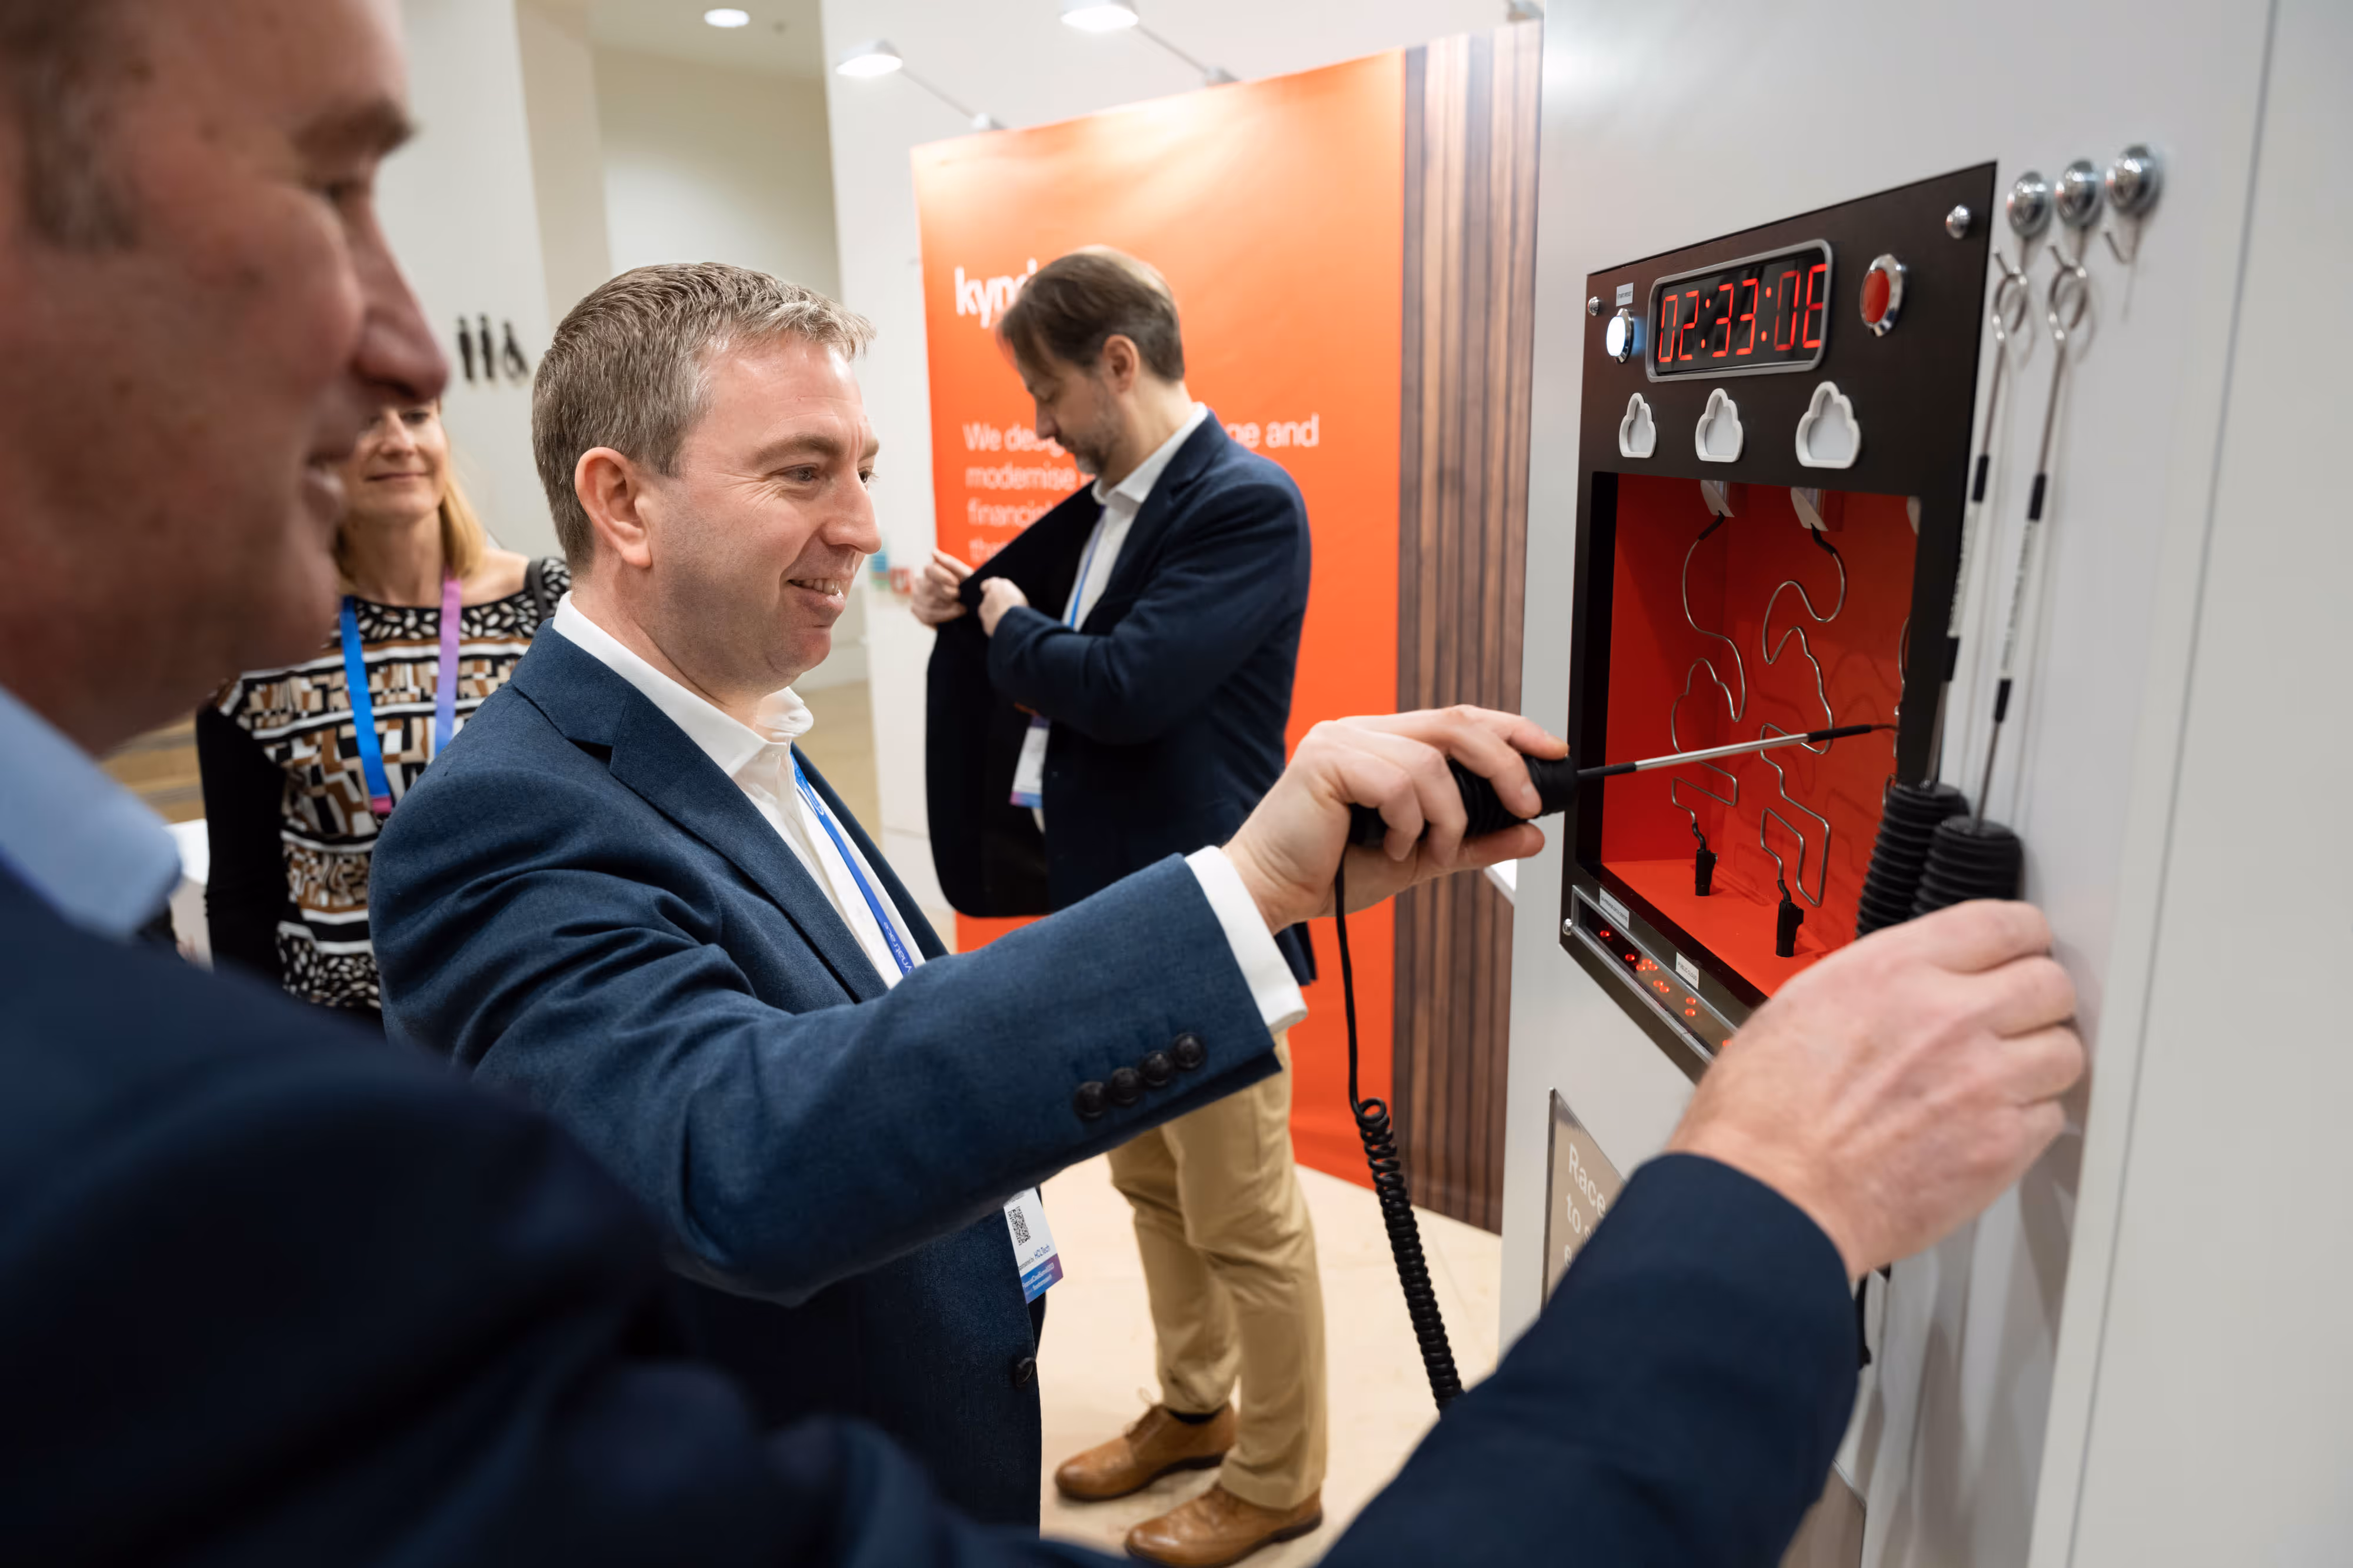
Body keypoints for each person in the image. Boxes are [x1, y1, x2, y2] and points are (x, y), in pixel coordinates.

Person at [0, 2, 2085, 1563]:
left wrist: (1236, 877)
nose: (857, 523)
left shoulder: (754, 742)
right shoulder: (498, 824)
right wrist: (1767, 1198)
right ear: (620, 504)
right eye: (804, 474)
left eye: (867, 468)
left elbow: (1052, 781)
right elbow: (742, 1152)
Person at [919, 247, 1328, 1565]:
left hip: (1206, 913)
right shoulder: (1108, 506)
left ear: (1116, 361)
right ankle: (1198, 1408)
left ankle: (1277, 1476)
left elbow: (1128, 685)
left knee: (1242, 1212)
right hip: (1112, 909)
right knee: (1153, 1186)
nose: (1035, 423)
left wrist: (1001, 625)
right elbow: (1052, 633)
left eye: (1044, 390)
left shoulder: (1244, 502)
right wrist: (971, 606)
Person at [197, 399, 563, 1023]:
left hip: (535, 995)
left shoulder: (550, 607)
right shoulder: (263, 647)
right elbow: (243, 895)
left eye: (417, 416)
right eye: (365, 419)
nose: (398, 441)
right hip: (347, 1026)